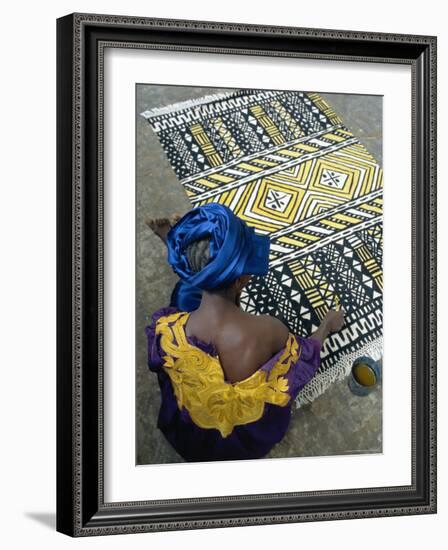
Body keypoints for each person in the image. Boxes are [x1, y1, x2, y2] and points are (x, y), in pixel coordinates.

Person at [145, 203, 344, 462]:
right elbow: (304, 356)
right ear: (241, 280)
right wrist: (327, 324)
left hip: (190, 426)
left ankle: (182, 248)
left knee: (182, 298)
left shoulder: (167, 329)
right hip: (236, 439)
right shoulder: (267, 330)